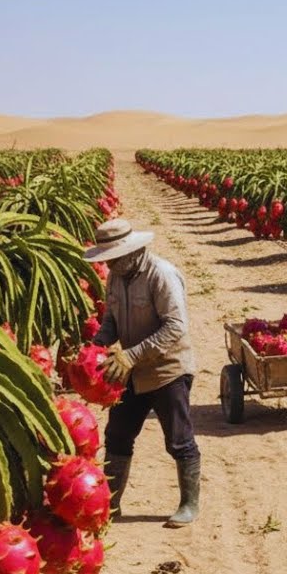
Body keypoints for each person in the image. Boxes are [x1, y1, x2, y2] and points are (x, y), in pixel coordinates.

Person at [84, 218, 201, 529]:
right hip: (131, 370)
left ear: (132, 252)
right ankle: (112, 502)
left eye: (113, 258)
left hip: (167, 370)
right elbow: (111, 319)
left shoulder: (162, 275)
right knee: (118, 435)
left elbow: (176, 327)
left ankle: (189, 503)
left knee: (179, 440)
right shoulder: (116, 278)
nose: (108, 265)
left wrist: (132, 354)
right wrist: (96, 346)